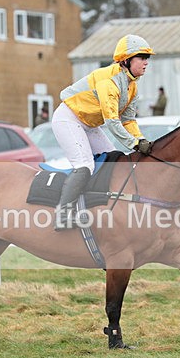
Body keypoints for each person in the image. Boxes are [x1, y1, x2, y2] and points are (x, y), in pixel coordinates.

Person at [51, 34, 155, 230]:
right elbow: (112, 121)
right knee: (85, 165)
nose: (146, 62)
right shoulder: (110, 82)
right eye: (141, 57)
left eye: (147, 58)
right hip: (68, 118)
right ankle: (63, 214)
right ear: (126, 60)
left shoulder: (132, 86)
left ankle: (99, 207)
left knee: (114, 159)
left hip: (89, 124)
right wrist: (134, 144)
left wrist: (141, 140)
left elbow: (129, 121)